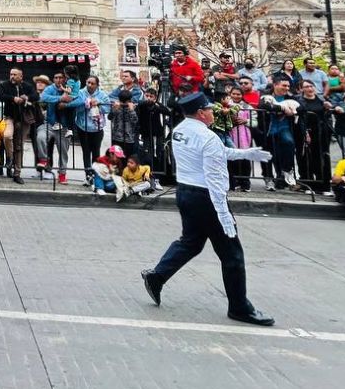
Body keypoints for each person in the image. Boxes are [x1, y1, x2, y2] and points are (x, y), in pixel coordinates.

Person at [141, 92, 275, 326]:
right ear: (201, 113)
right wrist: (223, 214)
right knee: (231, 253)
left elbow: (215, 155)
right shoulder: (208, 136)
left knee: (191, 242)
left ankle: (157, 276)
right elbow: (214, 176)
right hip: (207, 197)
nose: (214, 112)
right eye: (210, 110)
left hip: (186, 192)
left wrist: (245, 153)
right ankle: (239, 307)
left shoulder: (181, 129)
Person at [0, 68, 38, 184]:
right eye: (11, 74)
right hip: (10, 117)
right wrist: (13, 98)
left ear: (21, 76)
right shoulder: (5, 85)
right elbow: (0, 94)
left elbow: (36, 96)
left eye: (15, 74)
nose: (12, 76)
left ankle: (17, 174)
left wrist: (26, 98)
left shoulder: (27, 86)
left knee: (19, 147)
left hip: (24, 119)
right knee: (7, 136)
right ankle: (9, 157)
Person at [67, 75, 111, 184]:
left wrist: (99, 104)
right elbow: (76, 108)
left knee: (96, 152)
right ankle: (88, 175)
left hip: (97, 128)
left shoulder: (102, 95)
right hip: (83, 127)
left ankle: (96, 175)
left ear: (97, 85)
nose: (90, 85)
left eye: (92, 83)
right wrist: (86, 104)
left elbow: (107, 109)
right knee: (86, 152)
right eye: (88, 82)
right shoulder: (80, 93)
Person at [39, 71, 74, 183]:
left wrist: (67, 102)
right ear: (53, 79)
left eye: (61, 78)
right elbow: (44, 97)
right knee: (40, 137)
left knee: (63, 151)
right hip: (50, 123)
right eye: (56, 77)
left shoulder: (71, 88)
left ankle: (62, 174)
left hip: (64, 126)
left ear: (65, 79)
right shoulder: (50, 88)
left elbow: (77, 100)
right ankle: (44, 159)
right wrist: (60, 98)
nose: (58, 80)